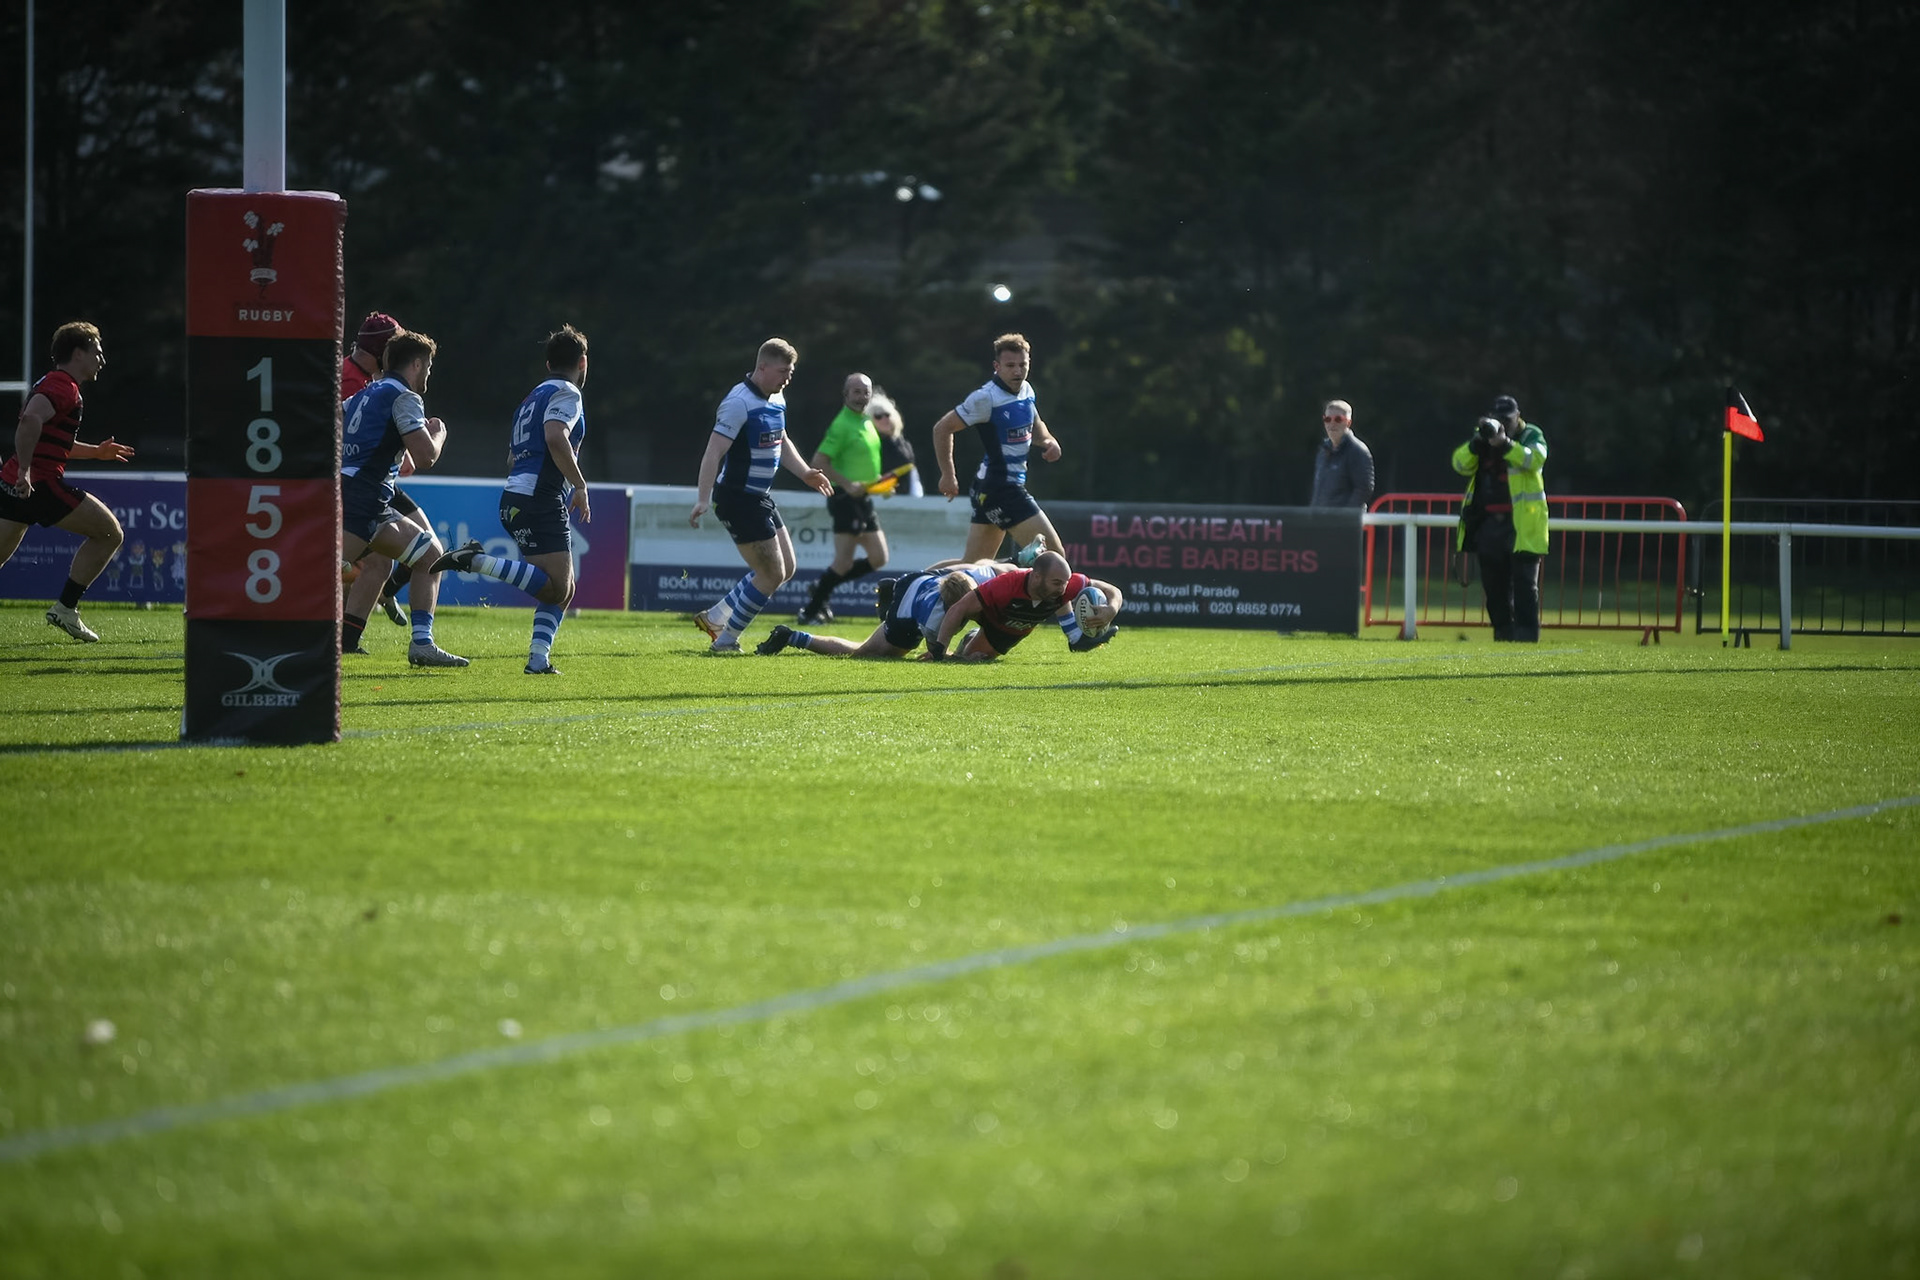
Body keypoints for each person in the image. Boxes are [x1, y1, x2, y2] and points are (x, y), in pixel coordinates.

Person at [429, 325, 592, 674]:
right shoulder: (568, 393)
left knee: (563, 588)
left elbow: (511, 457)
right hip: (539, 497)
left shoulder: (531, 399)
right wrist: (579, 485)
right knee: (557, 588)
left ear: (548, 364)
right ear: (582, 362)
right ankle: (475, 561)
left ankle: (538, 660)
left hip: (518, 495)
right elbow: (555, 437)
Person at [689, 338, 833, 653]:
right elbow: (713, 452)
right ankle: (725, 641)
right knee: (771, 573)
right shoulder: (738, 403)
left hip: (759, 497)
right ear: (763, 367)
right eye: (783, 372)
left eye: (791, 373)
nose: (787, 379)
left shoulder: (777, 397)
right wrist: (702, 497)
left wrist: (805, 472)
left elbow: (781, 439)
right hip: (737, 498)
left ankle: (715, 617)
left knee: (787, 568)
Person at [0, 322, 135, 642]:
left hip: (14, 482)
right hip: (39, 485)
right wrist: (26, 471)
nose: (102, 360)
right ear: (78, 354)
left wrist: (96, 453)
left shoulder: (54, 382)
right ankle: (66, 609)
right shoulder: (64, 386)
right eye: (97, 352)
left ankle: (66, 609)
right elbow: (30, 420)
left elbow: (47, 435)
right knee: (110, 533)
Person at [339, 331, 466, 666]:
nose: (428, 374)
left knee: (430, 555)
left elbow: (335, 421)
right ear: (416, 364)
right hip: (364, 499)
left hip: (361, 496)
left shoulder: (364, 394)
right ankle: (257, 630)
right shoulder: (405, 397)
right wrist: (438, 433)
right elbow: (425, 457)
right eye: (429, 366)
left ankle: (422, 644)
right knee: (316, 573)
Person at [931, 333, 1062, 565]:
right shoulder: (985, 398)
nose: (1017, 371)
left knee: (973, 566)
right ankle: (1016, 565)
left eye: (1023, 365)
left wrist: (1049, 441)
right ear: (996, 366)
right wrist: (948, 474)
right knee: (1053, 557)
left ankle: (913, 582)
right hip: (1001, 488)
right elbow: (942, 428)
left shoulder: (1026, 390)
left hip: (990, 488)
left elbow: (1035, 424)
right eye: (1010, 366)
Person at [339, 311, 426, 641]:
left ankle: (351, 634)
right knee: (334, 565)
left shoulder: (370, 381)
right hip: (362, 480)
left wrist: (401, 447)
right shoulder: (357, 383)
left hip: (370, 480)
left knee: (416, 553)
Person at [757, 559, 1012, 658]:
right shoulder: (934, 619)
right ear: (950, 607)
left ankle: (890, 587)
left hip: (922, 579)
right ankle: (793, 637)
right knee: (867, 653)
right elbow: (934, 655)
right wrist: (964, 657)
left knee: (974, 564)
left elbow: (977, 567)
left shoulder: (974, 584)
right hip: (907, 605)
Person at [1453, 394, 1548, 642]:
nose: (1503, 424)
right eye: (1499, 419)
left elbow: (1535, 459)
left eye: (1508, 419)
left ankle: (1527, 636)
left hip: (1522, 525)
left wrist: (1505, 444)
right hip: (1488, 524)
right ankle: (1503, 634)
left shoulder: (1531, 435)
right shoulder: (1483, 436)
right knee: (1494, 586)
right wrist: (1477, 442)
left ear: (1518, 417)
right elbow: (1459, 464)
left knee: (1525, 585)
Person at [797, 372, 889, 624]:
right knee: (843, 562)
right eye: (856, 392)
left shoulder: (866, 421)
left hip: (864, 499)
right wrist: (848, 485)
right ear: (846, 395)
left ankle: (820, 587)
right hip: (844, 500)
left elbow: (864, 464)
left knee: (879, 558)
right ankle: (810, 612)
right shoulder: (841, 425)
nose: (861, 397)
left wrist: (881, 485)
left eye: (865, 392)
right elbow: (818, 461)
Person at [924, 550, 1123, 661]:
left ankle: (1075, 637)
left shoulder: (1067, 584)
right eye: (1056, 582)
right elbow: (958, 608)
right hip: (992, 617)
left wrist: (1111, 609)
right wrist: (939, 651)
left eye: (1065, 582)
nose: (1063, 588)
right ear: (1036, 576)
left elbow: (1113, 590)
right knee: (969, 657)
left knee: (973, 658)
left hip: (1010, 631)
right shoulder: (1006, 585)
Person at [1309, 399, 1375, 508]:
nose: (1332, 424)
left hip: (1345, 518)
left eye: (1338, 419)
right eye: (1328, 419)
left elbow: (1364, 489)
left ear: (1348, 423)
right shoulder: (1323, 450)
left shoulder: (1357, 450)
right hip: (1320, 517)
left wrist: (1344, 514)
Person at [869, 392, 922, 496]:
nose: (885, 419)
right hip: (878, 497)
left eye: (887, 415)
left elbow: (912, 474)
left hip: (906, 498)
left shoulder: (903, 444)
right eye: (878, 416)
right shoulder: (869, 444)